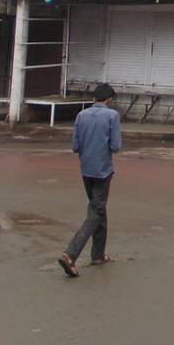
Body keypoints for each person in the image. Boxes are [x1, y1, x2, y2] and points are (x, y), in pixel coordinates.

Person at [58, 83, 122, 278]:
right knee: (96, 212)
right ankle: (71, 254)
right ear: (109, 99)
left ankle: (98, 255)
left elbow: (75, 146)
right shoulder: (112, 116)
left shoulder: (81, 115)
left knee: (98, 209)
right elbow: (116, 145)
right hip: (103, 171)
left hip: (86, 170)